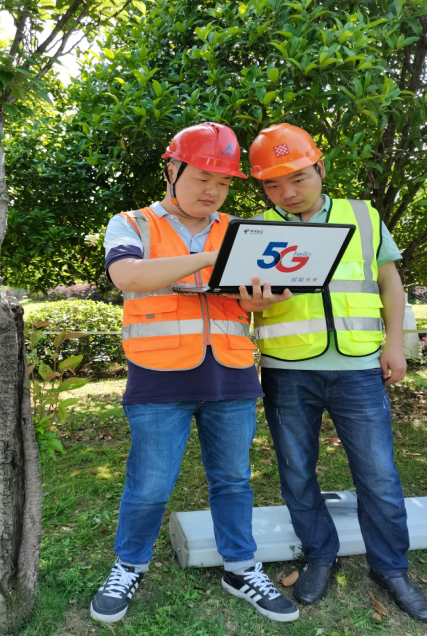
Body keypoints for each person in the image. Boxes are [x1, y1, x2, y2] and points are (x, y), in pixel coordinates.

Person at [90, 122, 299, 624]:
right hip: (158, 376)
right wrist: (209, 257)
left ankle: (241, 567)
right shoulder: (132, 223)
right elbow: (127, 275)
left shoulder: (242, 231)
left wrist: (263, 299)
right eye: (203, 177)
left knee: (234, 481)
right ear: (172, 169)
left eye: (223, 182)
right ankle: (129, 565)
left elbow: (257, 298)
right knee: (150, 485)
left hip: (231, 373)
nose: (213, 190)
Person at [247, 123, 427, 622]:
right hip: (287, 370)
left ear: (321, 168)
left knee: (378, 474)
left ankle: (390, 568)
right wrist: (250, 303)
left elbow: (390, 283)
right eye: (272, 184)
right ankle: (319, 555)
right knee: (296, 472)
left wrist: (395, 345)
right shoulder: (255, 230)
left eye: (298, 178)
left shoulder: (363, 216)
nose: (287, 192)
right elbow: (240, 302)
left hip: (359, 367)